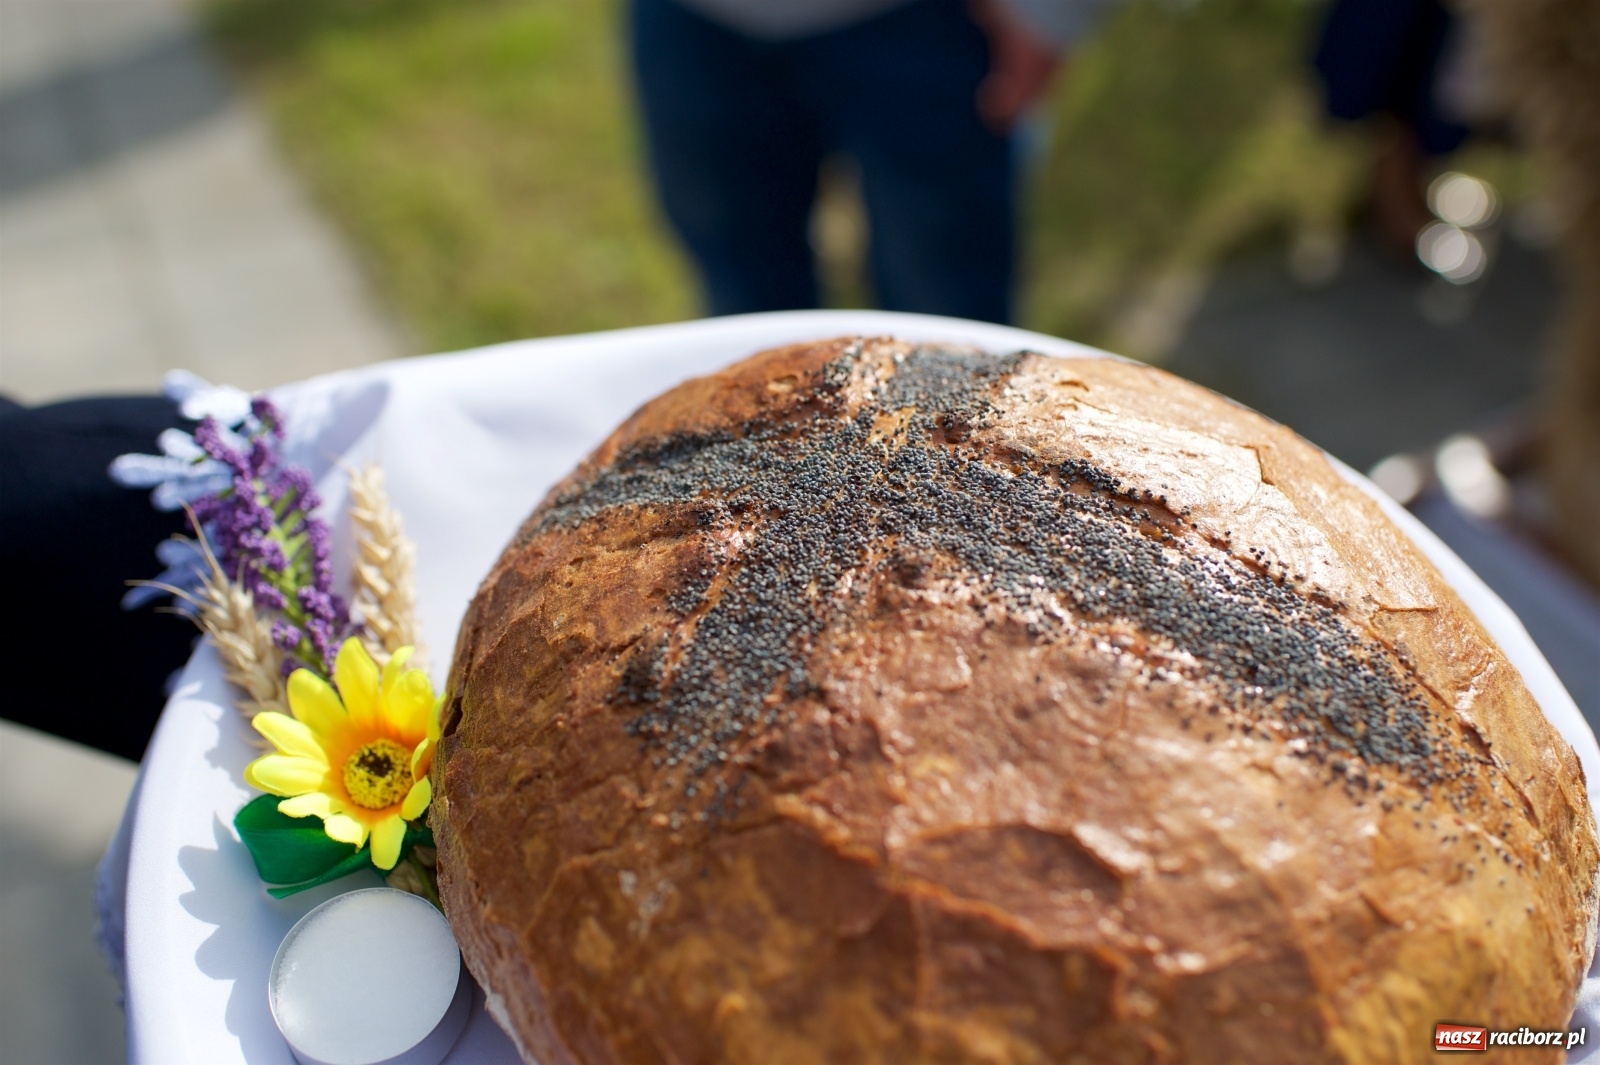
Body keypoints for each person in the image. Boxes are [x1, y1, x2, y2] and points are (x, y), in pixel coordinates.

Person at [628, 0, 1114, 324]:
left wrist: (1051, 12)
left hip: (929, 24)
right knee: (744, 305)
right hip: (689, 23)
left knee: (946, 318)